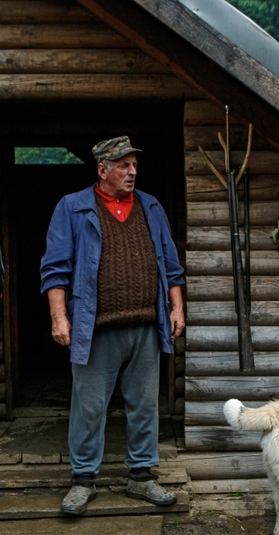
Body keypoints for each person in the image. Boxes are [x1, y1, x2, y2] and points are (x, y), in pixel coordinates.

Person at [40, 136, 186, 515]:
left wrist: (176, 308)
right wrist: (59, 317)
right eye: (123, 165)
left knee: (144, 406)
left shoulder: (150, 206)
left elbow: (171, 266)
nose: (132, 171)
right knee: (89, 407)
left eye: (134, 164)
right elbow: (55, 269)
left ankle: (141, 478)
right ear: (102, 170)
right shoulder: (72, 208)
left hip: (144, 325)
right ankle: (83, 481)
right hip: (95, 328)